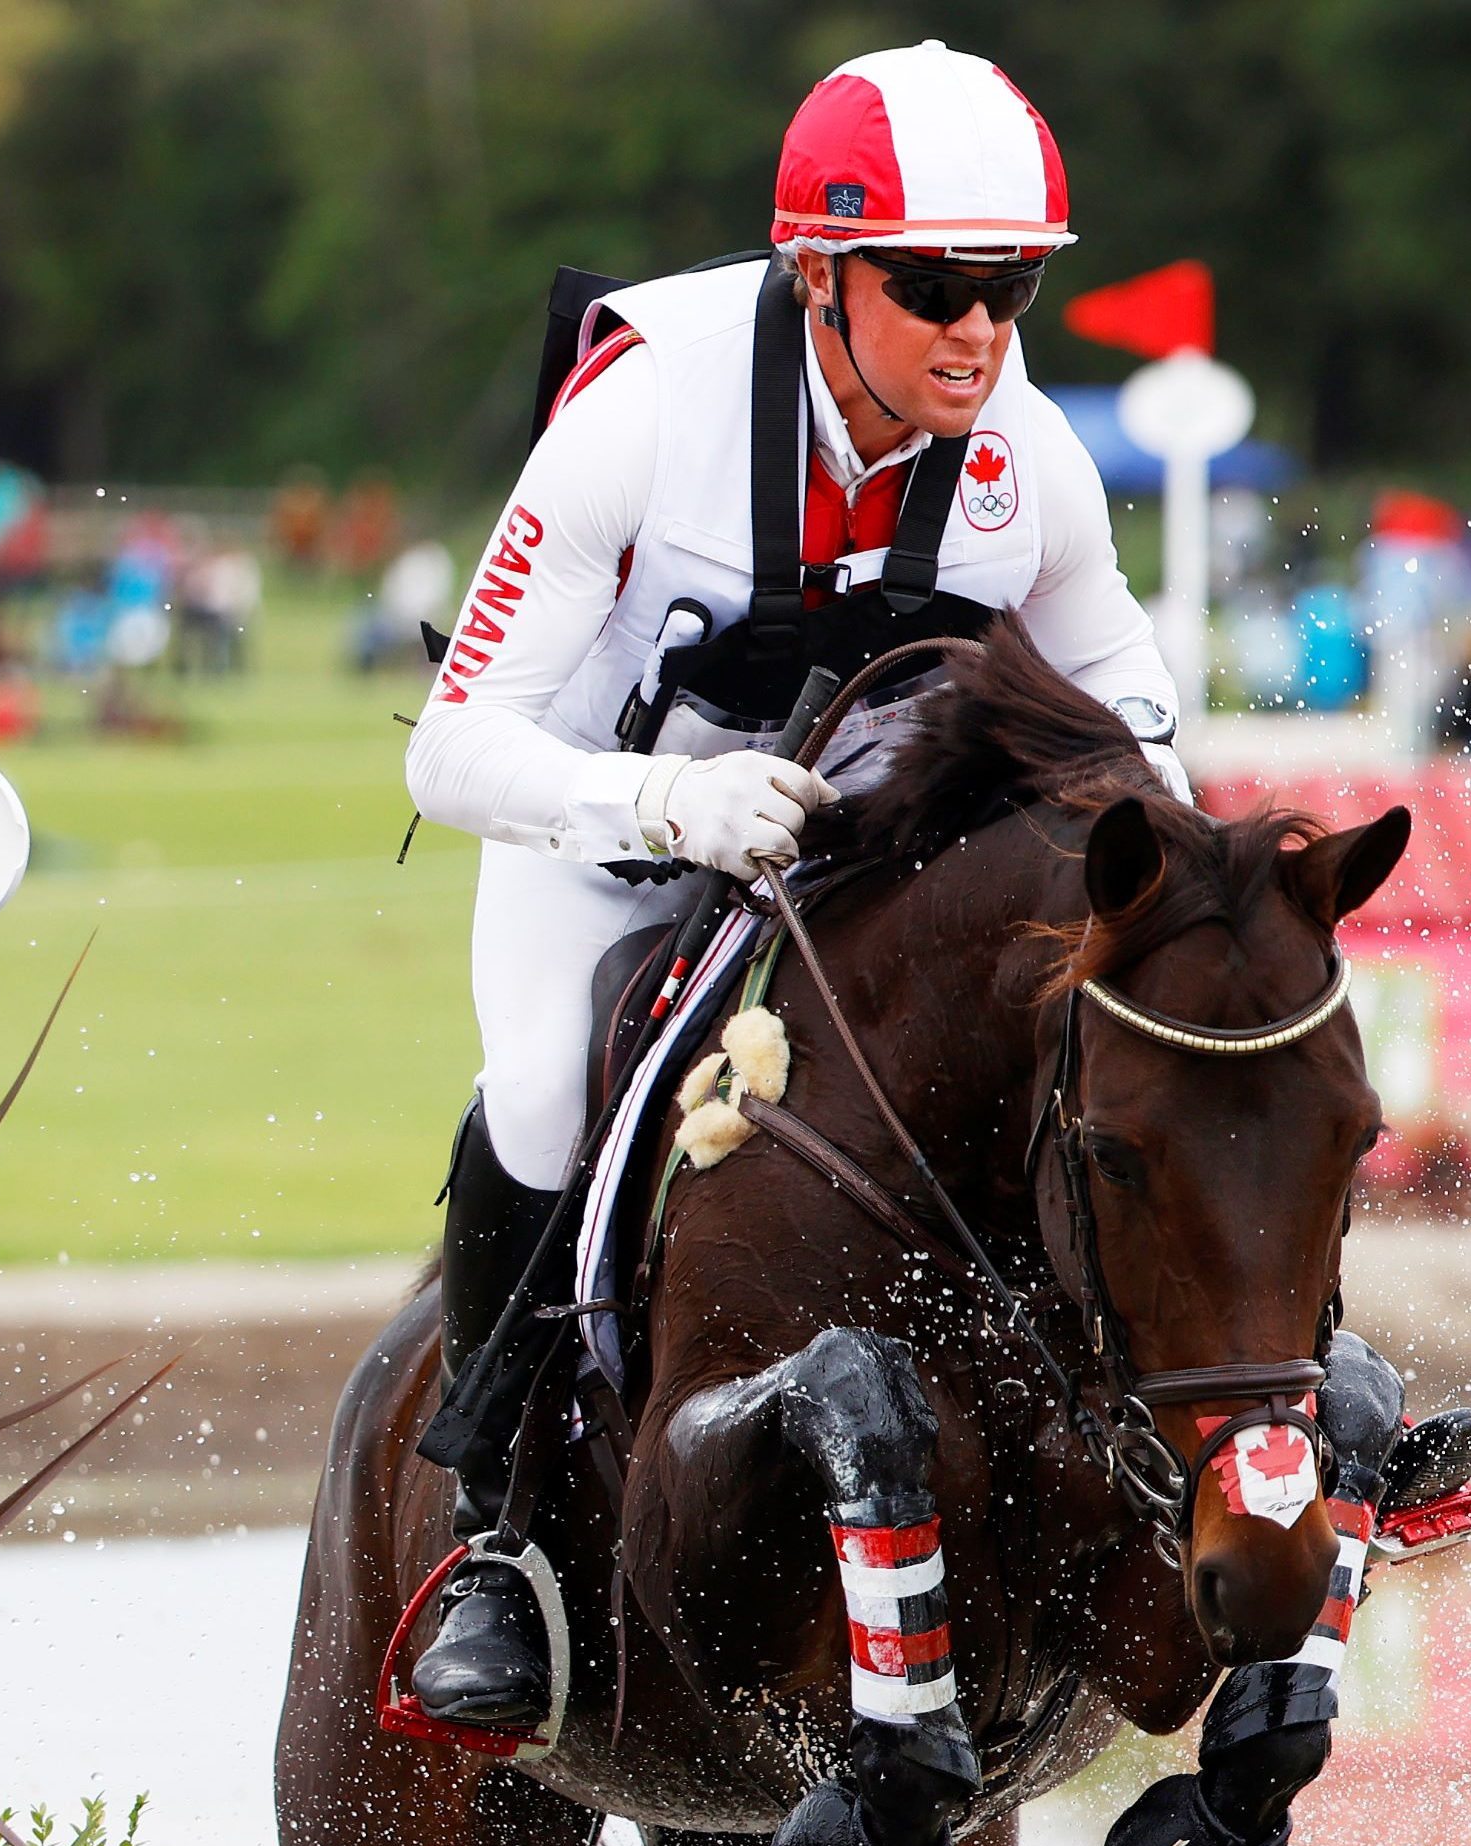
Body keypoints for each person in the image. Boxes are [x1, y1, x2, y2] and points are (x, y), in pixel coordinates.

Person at [396, 43, 1200, 1729]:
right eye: (936, 287)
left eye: (1013, 287)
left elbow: (1129, 703)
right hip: (611, 848)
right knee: (547, 1095)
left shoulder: (1027, 456)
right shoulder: (642, 418)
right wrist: (672, 804)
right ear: (821, 275)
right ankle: (497, 1538)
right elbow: (452, 747)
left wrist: (1194, 886)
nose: (981, 331)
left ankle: (1173, 1448)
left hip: (854, 881)